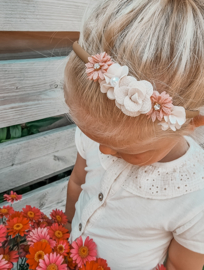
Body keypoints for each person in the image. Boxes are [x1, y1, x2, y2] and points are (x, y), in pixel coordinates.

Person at [63, 0, 204, 269]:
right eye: (95, 137)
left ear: (192, 123)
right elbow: (77, 182)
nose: (103, 151)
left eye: (127, 150)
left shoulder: (194, 197)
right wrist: (66, 223)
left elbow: (179, 265)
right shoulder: (101, 138)